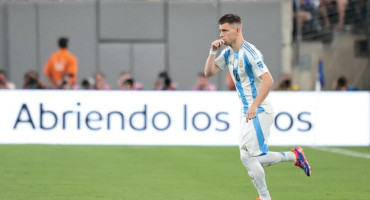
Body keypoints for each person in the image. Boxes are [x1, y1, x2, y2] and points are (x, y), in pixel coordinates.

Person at [204, 14, 311, 200]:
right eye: (220, 30)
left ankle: (265, 197)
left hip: (259, 109)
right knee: (253, 156)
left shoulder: (250, 53)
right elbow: (209, 72)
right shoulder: (228, 51)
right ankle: (294, 156)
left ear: (237, 30)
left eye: (224, 30)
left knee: (247, 156)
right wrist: (212, 52)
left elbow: (268, 80)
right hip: (249, 109)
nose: (221, 35)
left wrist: (254, 105)